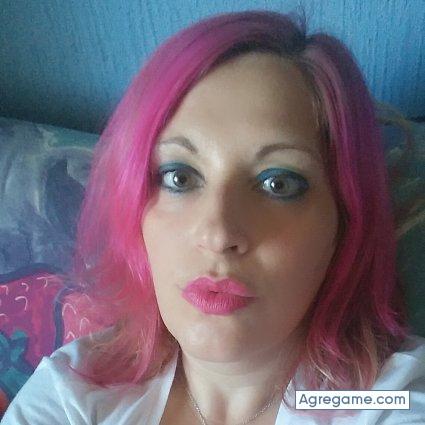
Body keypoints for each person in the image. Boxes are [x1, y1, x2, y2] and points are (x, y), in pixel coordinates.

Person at [2, 9, 424, 425]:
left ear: (345, 222)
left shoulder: (387, 399)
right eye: (179, 177)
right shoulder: (73, 392)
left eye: (278, 183)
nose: (219, 234)